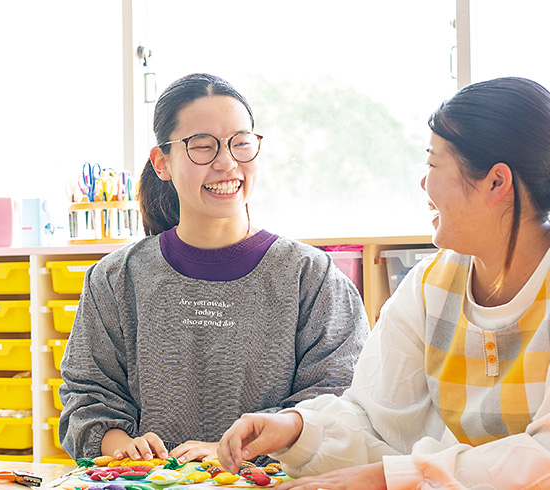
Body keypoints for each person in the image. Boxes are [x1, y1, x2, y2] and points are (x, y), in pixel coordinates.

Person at [217, 77, 550, 489]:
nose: (423, 184)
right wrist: (297, 428)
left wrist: (391, 478)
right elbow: (377, 421)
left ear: (496, 182)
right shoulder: (430, 285)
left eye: (433, 164)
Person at [58, 73, 369, 464]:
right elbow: (87, 397)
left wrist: (232, 451)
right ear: (162, 162)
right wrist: (122, 445)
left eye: (241, 143)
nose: (226, 163)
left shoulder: (311, 277)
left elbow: (338, 401)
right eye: (202, 146)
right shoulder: (116, 279)